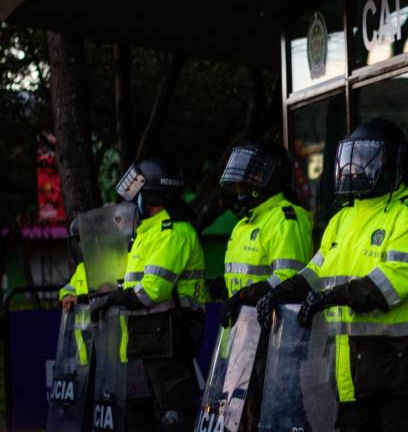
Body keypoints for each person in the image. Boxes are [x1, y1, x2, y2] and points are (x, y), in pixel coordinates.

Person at [256, 118, 408, 432]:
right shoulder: (343, 217)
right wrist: (280, 292)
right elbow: (316, 271)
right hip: (351, 366)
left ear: (396, 162)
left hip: (402, 366)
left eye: (367, 158)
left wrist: (332, 297)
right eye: (354, 158)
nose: (356, 167)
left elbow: (392, 283)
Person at [90, 158, 206, 431]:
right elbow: (135, 285)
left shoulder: (173, 231)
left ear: (153, 195)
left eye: (138, 195)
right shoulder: (147, 231)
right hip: (148, 335)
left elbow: (152, 291)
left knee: (174, 415)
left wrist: (113, 299)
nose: (134, 202)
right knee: (139, 412)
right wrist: (110, 292)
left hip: (170, 333)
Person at [217, 139, 313, 431]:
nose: (242, 184)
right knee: (239, 416)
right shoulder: (243, 224)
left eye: (251, 175)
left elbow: (289, 279)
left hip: (272, 338)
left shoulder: (286, 219)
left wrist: (244, 296)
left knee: (273, 417)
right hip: (241, 338)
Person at [59, 217, 88, 312]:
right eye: (78, 242)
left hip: (103, 325)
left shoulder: (107, 265)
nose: (80, 246)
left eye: (82, 240)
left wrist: (79, 299)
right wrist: (67, 296)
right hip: (83, 326)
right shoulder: (81, 267)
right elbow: (68, 288)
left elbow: (105, 297)